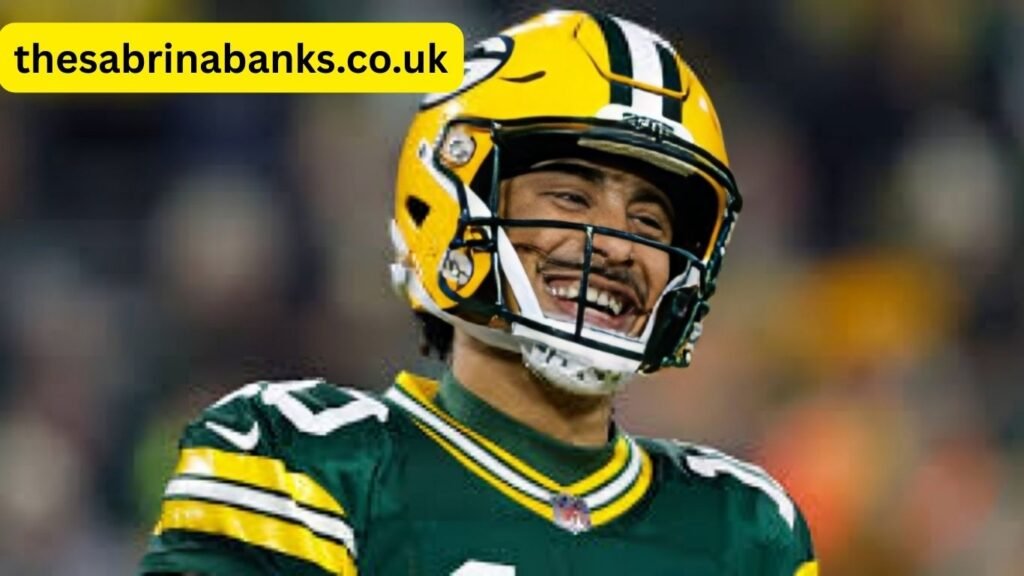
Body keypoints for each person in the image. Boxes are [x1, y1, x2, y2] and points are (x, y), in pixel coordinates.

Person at [139, 10, 818, 576]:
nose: (617, 246)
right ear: (454, 201)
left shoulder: (743, 528)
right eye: (570, 197)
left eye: (649, 222)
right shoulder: (307, 461)